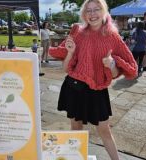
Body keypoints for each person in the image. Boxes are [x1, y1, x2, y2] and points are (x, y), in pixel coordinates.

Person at [49, 0, 137, 159]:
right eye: (88, 10)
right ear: (84, 14)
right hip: (74, 87)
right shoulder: (77, 33)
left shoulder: (113, 37)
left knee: (104, 130)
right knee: (76, 128)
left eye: (96, 9)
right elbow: (66, 68)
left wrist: (111, 64)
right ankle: (76, 157)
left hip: (98, 90)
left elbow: (122, 70)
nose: (92, 14)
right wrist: (70, 52)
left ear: (104, 11)